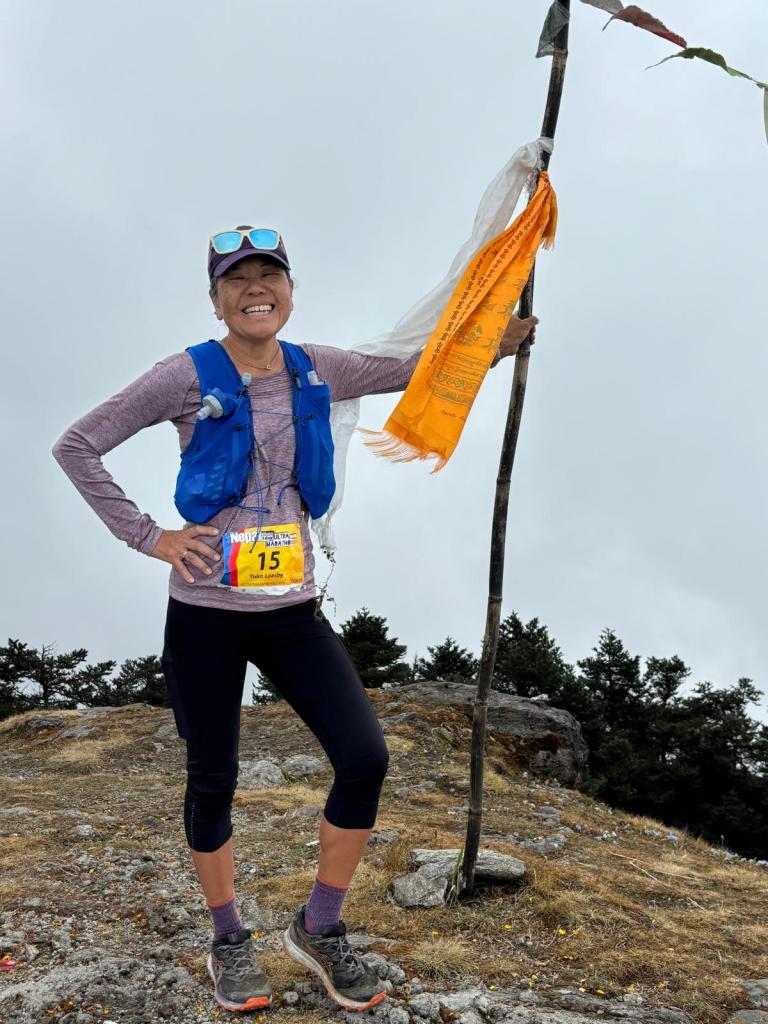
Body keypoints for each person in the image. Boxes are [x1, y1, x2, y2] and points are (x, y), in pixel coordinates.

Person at [52, 226, 538, 1014]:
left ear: (288, 289)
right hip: (206, 614)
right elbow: (77, 446)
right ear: (216, 299)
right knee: (213, 778)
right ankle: (227, 939)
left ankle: (319, 927)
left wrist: (493, 342)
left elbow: (414, 368)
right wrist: (150, 536)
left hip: (291, 613)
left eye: (269, 275)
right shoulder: (181, 375)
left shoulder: (318, 366)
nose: (256, 289)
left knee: (365, 758)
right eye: (237, 279)